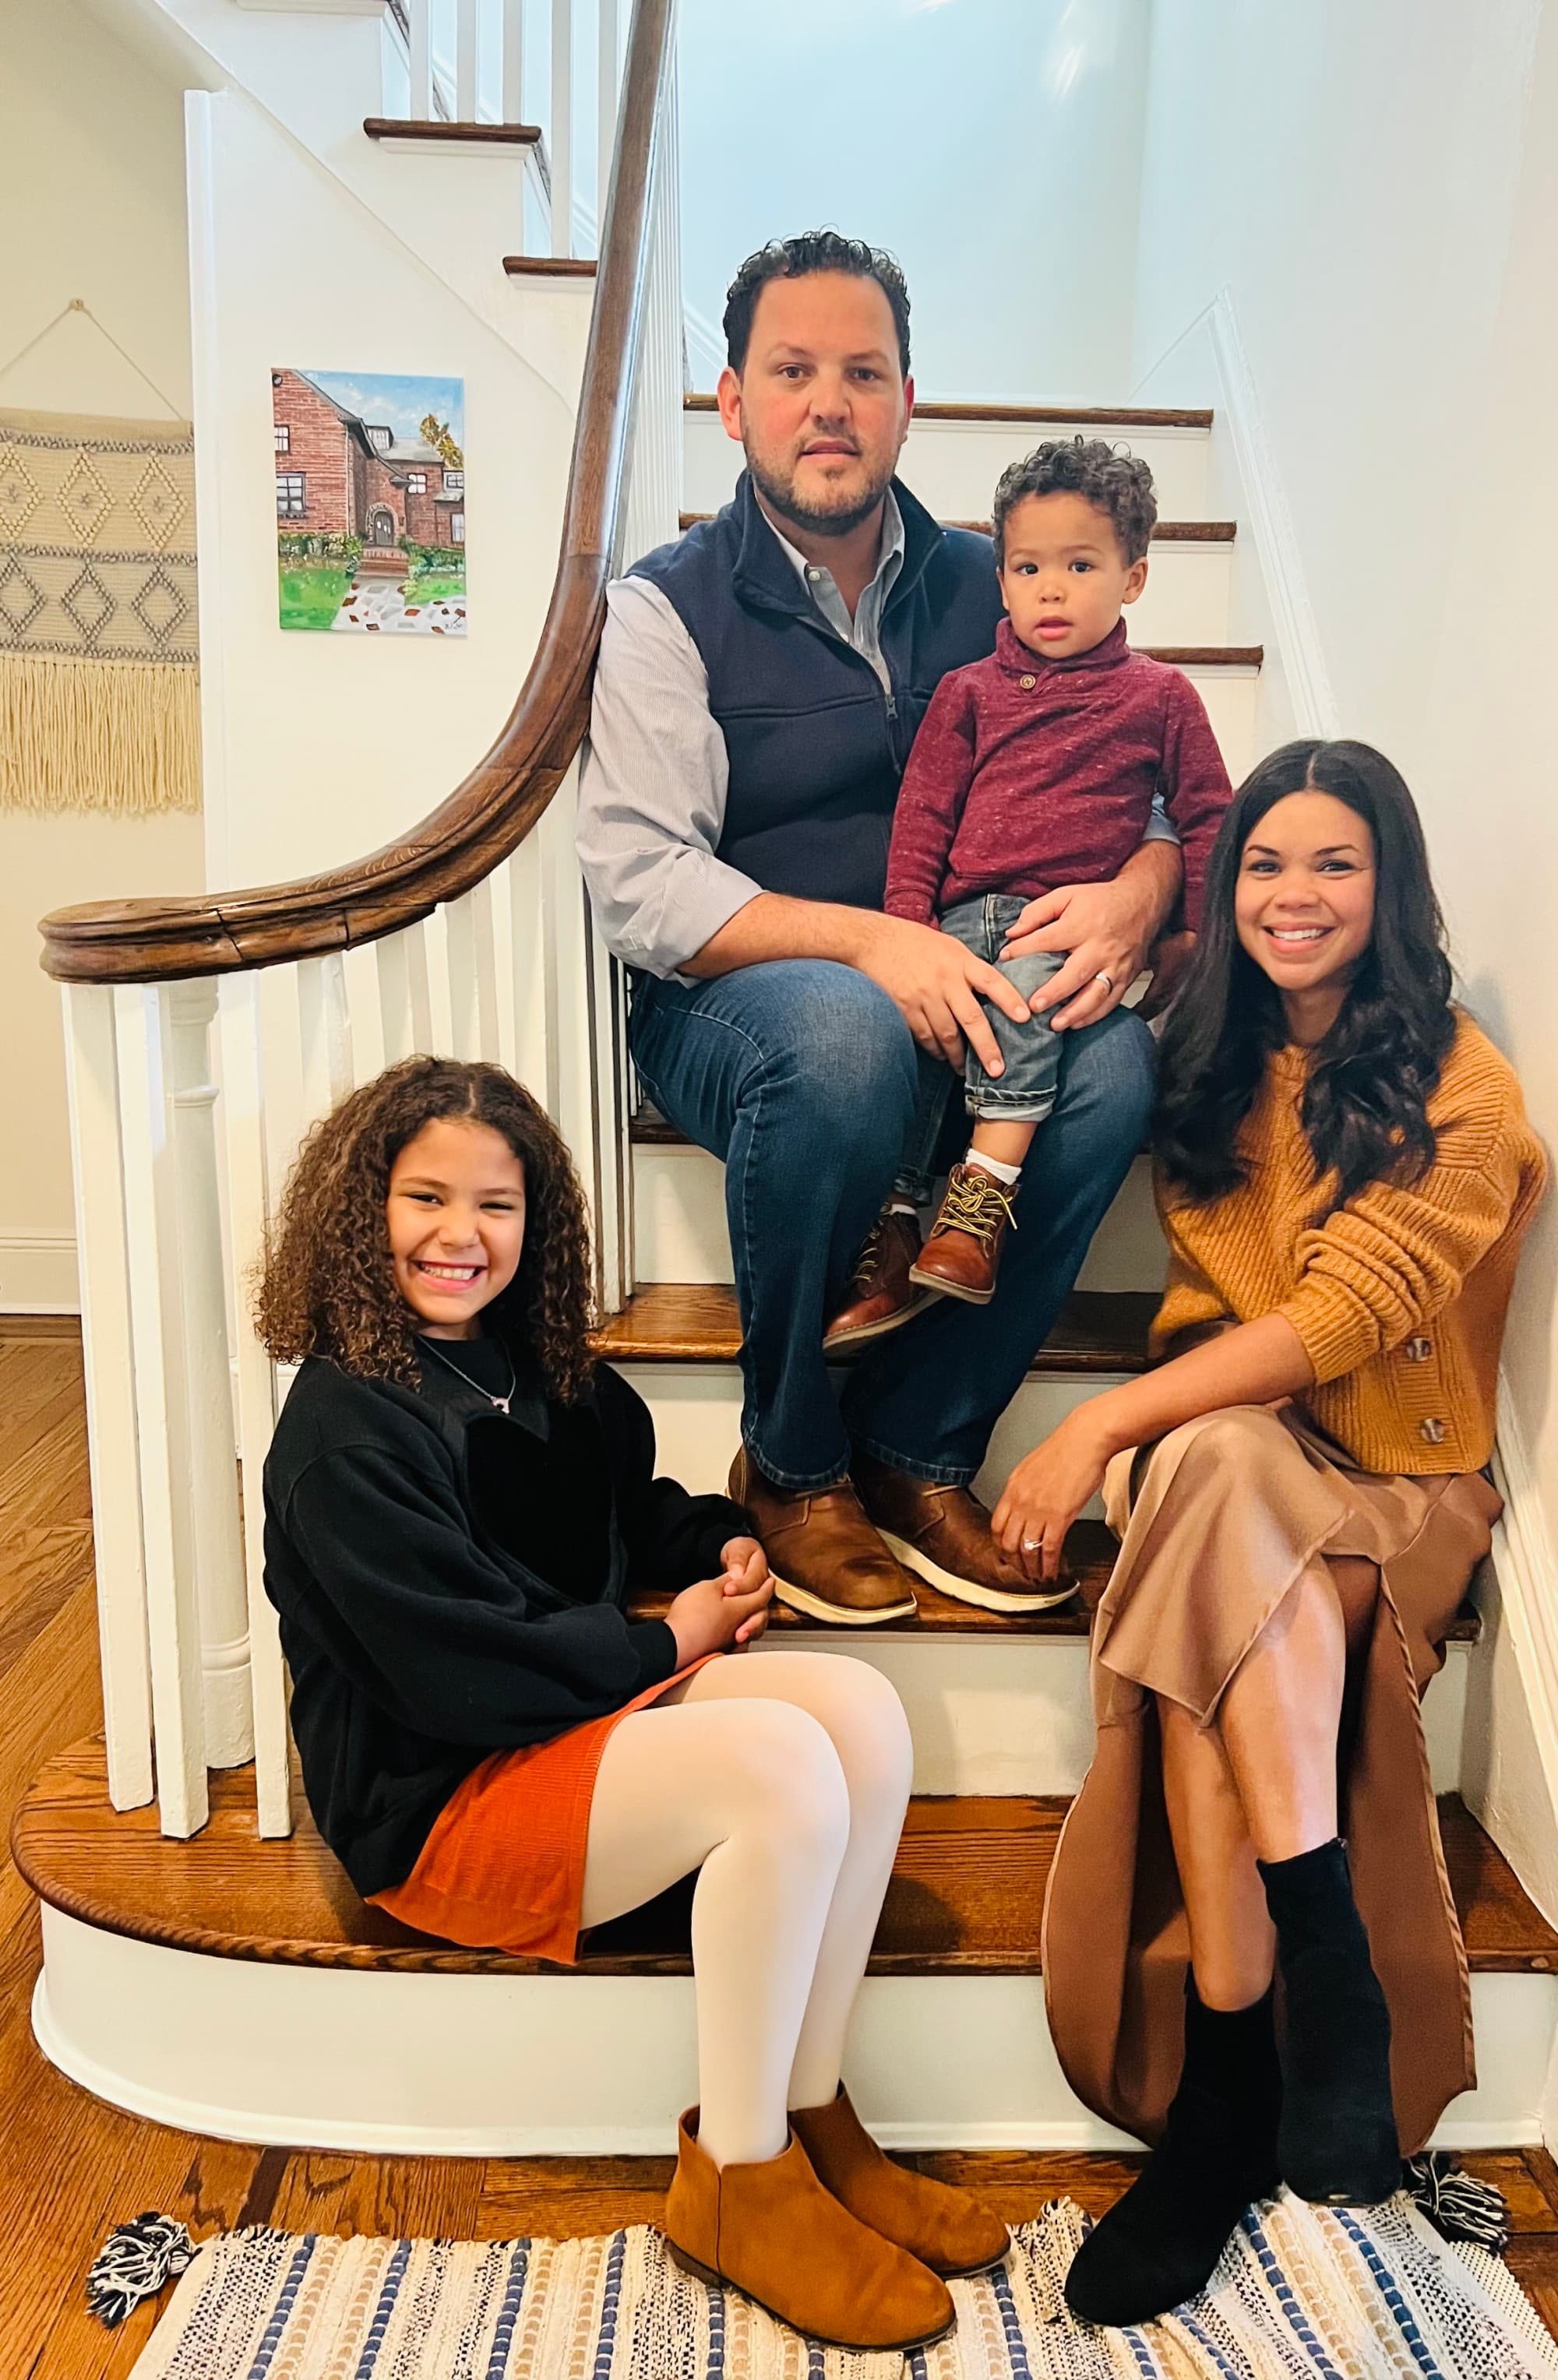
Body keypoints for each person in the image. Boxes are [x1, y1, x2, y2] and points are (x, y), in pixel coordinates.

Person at [256, 1056, 1007, 2354]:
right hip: (442, 1794)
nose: (460, 1234)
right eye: (424, 1197)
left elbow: (622, 1510)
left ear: (536, 1224)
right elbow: (461, 1670)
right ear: (359, 1210)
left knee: (859, 1715)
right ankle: (739, 2175)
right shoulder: (342, 1431)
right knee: (774, 1761)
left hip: (561, 1731)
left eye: (498, 1205)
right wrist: (664, 1641)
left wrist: (720, 1544)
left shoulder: (542, 1372)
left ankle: (812, 2109)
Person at [985, 742, 1546, 2326]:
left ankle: (1229, 2081)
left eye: (1334, 866)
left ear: (1390, 890)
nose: (1293, 897)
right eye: (1263, 867)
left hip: (1399, 1478)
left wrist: (1098, 1419)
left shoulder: (1464, 1080)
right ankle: (1317, 1995)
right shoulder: (1207, 1056)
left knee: (1199, 1499)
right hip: (1240, 1455)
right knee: (1215, 1475)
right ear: (1227, 895)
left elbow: (1345, 1312)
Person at [579, 231, 1183, 1628]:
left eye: (863, 371)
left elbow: (1156, 763)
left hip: (983, 976)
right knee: (850, 1042)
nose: (829, 403)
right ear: (733, 401)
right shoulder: (669, 608)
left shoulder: (1010, 582)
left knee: (1112, 1073)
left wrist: (1149, 889)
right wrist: (870, 943)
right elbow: (642, 884)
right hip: (749, 1003)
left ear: (911, 397)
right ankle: (790, 1463)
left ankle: (919, 1453)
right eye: (792, 371)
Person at [830, 436, 1229, 1334]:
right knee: (916, 1035)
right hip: (959, 915)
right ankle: (893, 1221)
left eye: (1080, 564)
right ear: (1001, 580)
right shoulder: (969, 692)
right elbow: (923, 816)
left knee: (1016, 1007)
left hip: (1065, 926)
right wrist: (906, 930)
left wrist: (1190, 935)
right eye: (1028, 566)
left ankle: (981, 1202)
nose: (1051, 588)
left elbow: (1208, 815)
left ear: (1132, 577)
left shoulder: (1160, 697)